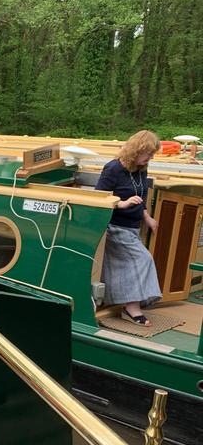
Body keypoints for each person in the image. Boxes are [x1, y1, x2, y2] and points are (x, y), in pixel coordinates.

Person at [95, 130, 162, 326]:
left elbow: (141, 197)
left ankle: (125, 302)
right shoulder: (113, 168)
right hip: (115, 227)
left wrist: (147, 218)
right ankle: (132, 308)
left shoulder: (141, 169)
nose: (150, 157)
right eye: (148, 153)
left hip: (132, 228)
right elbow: (98, 199)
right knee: (142, 259)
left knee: (124, 267)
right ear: (136, 150)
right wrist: (122, 203)